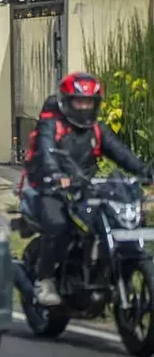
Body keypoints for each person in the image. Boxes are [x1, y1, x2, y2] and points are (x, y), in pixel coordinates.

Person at [23, 72, 154, 307]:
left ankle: (104, 271)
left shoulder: (97, 130)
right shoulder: (51, 125)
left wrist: (145, 172)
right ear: (66, 101)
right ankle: (45, 279)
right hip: (49, 188)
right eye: (79, 101)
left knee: (118, 219)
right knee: (59, 226)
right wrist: (56, 175)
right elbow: (46, 151)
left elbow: (121, 153)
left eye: (89, 102)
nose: (84, 107)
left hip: (86, 187)